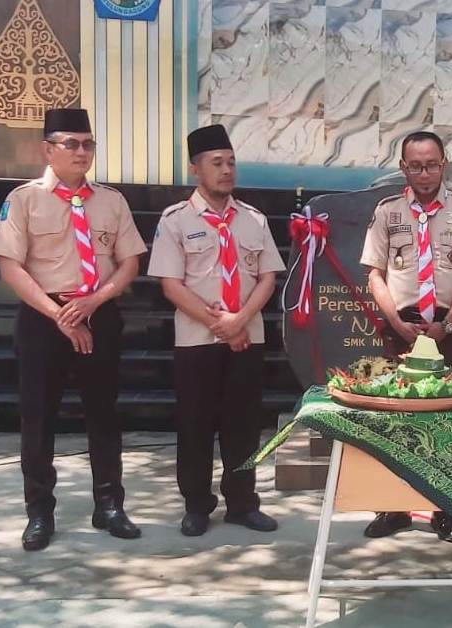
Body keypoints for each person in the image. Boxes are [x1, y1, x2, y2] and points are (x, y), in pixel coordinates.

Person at [0, 108, 147, 551]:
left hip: (99, 311)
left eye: (88, 144)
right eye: (71, 144)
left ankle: (109, 505)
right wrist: (60, 315)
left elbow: (129, 261)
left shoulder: (111, 201)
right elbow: (10, 267)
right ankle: (39, 512)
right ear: (47, 149)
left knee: (104, 413)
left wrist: (94, 301)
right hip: (44, 317)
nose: (82, 152)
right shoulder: (23, 199)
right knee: (38, 418)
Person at [147, 124, 286, 537]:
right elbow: (171, 284)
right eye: (216, 163)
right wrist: (222, 325)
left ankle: (243, 503)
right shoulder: (175, 220)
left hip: (248, 337)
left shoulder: (254, 220)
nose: (226, 171)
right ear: (195, 169)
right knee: (195, 425)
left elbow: (267, 278)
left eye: (230, 163)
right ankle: (196, 505)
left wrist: (239, 320)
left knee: (243, 426)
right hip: (196, 342)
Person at [359, 130, 452, 543]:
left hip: (446, 327)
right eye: (415, 165)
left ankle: (444, 511)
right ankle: (393, 508)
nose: (424, 172)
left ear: (443, 164)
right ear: (403, 167)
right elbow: (374, 273)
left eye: (431, 164)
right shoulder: (387, 212)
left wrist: (448, 324)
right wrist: (397, 323)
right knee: (395, 418)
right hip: (400, 327)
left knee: (447, 423)